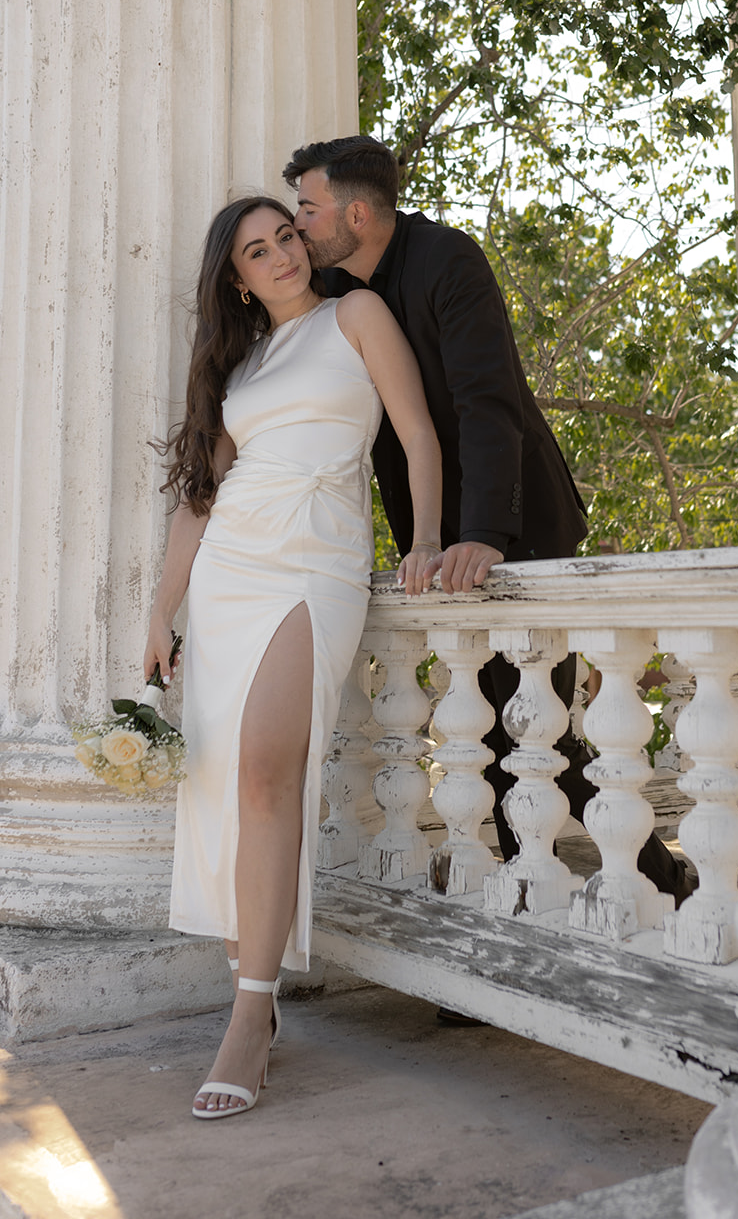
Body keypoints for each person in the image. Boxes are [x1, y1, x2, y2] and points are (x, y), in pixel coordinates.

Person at [282, 136, 690, 913]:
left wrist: (484, 535)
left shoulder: (448, 261)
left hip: (517, 525)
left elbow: (486, 402)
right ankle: (537, 890)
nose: (298, 227)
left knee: (528, 732)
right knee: (487, 735)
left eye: (307, 209)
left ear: (357, 213)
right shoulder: (336, 283)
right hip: (436, 541)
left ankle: (601, 890)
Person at [144, 195, 441, 1119]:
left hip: (317, 559)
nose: (279, 256)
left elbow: (417, 429)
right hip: (231, 568)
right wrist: (161, 610)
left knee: (271, 773)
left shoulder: (355, 314)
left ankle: (249, 1015)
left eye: (285, 238)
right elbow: (202, 496)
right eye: (257, 251)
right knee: (231, 783)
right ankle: (253, 990)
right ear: (234, 276)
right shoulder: (240, 362)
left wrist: (426, 537)